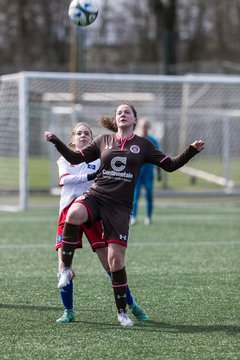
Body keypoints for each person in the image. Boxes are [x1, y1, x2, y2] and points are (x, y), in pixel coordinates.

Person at [45, 103, 205, 327]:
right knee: (74, 213)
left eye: (126, 112)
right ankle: (67, 270)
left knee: (115, 261)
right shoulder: (102, 140)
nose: (122, 114)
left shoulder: (144, 145)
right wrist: (55, 140)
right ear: (115, 118)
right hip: (96, 196)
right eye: (119, 112)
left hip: (119, 207)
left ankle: (122, 311)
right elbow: (73, 159)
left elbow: (169, 165)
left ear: (134, 119)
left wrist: (190, 151)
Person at [55, 122, 148, 323]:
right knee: (63, 262)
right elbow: (64, 180)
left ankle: (131, 304)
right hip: (68, 212)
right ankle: (68, 311)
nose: (83, 136)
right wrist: (89, 175)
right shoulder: (64, 159)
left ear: (92, 139)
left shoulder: (100, 158)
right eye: (79, 133)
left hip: (93, 211)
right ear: (73, 138)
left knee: (110, 263)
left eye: (87, 133)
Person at [131, 118, 161, 226]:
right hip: (137, 171)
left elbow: (159, 157)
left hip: (148, 170)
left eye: (146, 125)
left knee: (149, 192)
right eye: (142, 125)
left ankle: (148, 216)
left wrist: (159, 172)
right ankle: (133, 217)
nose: (144, 128)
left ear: (148, 127)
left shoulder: (153, 140)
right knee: (136, 194)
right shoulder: (135, 140)